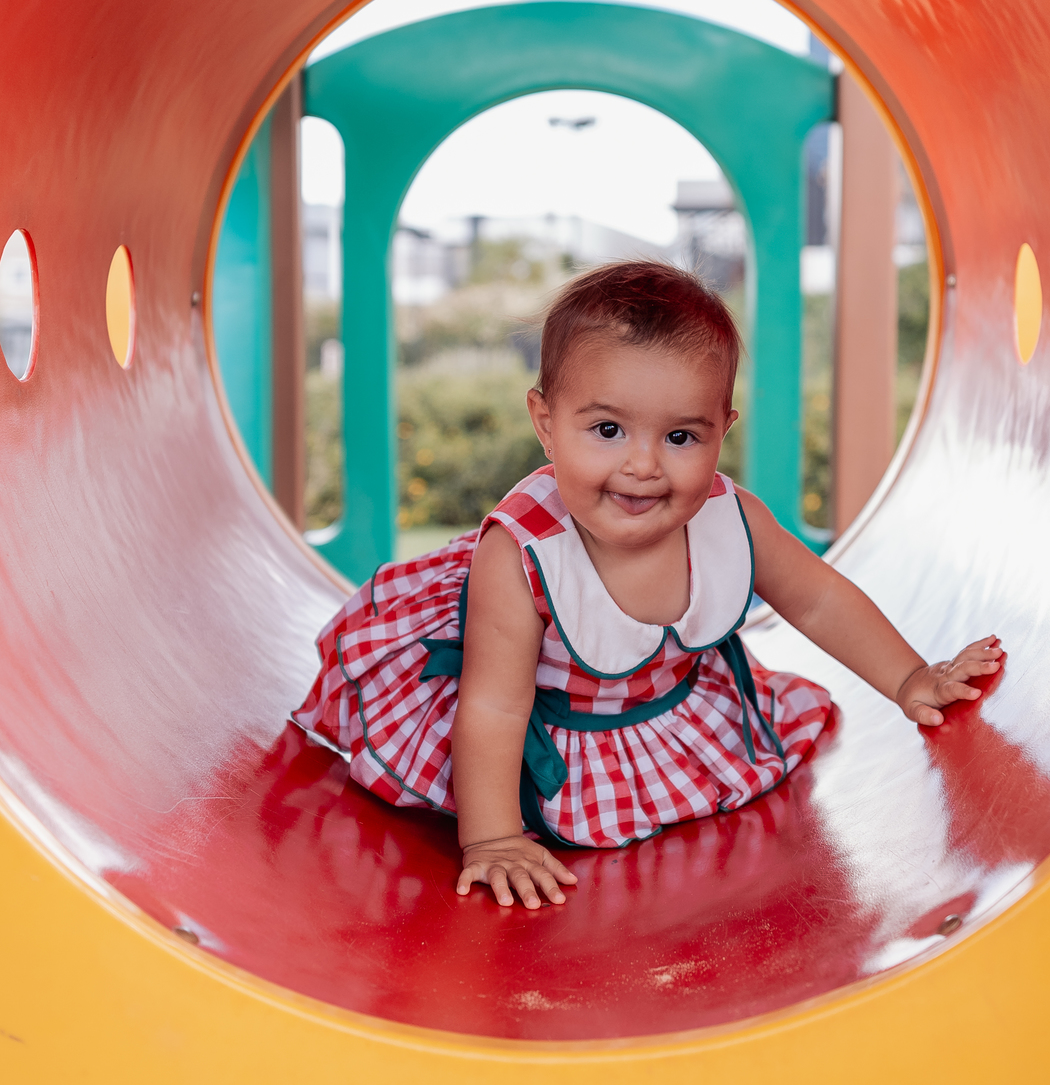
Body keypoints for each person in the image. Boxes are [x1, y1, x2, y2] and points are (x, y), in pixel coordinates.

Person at [293, 261, 1002, 911]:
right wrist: (492, 839)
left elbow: (817, 597)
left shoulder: (731, 518)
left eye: (681, 438)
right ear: (546, 423)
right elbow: (494, 706)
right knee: (496, 722)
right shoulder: (522, 556)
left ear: (722, 430)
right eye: (607, 429)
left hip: (677, 704)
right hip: (547, 727)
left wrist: (911, 678)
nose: (643, 466)